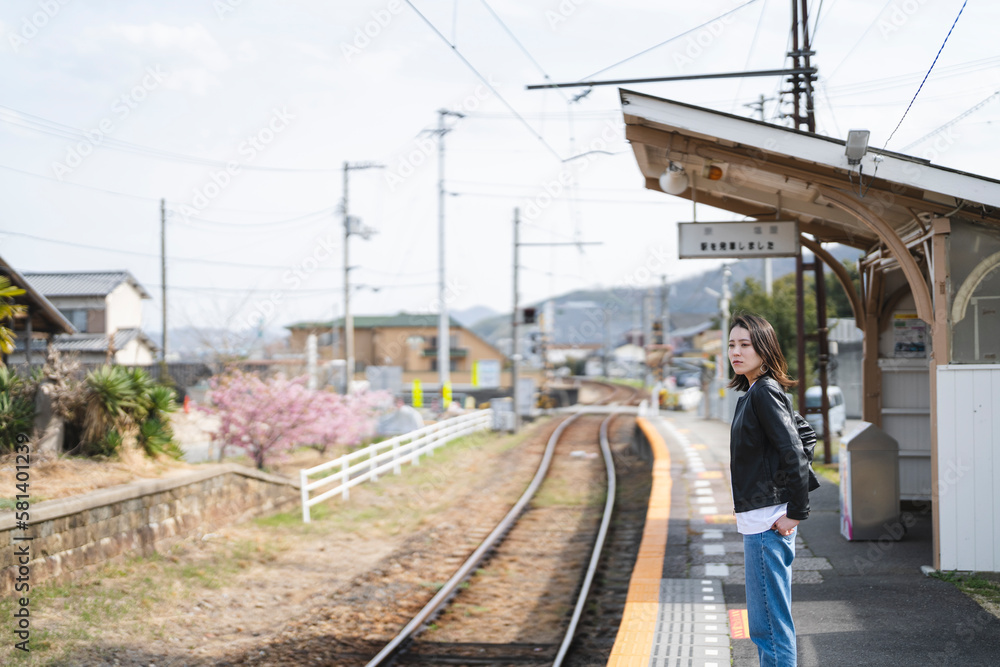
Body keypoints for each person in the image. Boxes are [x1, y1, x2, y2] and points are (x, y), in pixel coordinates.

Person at [728, 312, 812, 667]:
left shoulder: (764, 392)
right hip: (761, 521)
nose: (736, 351)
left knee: (769, 628)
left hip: (768, 523)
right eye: (732, 344)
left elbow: (793, 450)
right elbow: (805, 436)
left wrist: (794, 512)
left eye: (745, 344)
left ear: (764, 348)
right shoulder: (754, 392)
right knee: (766, 626)